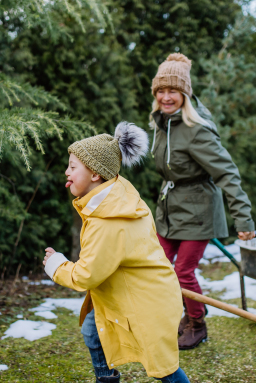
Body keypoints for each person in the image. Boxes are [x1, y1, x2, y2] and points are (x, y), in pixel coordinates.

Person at [42, 122, 190, 383]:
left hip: (146, 302)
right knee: (92, 331)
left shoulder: (108, 220)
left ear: (96, 174)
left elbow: (87, 274)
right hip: (127, 293)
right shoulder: (118, 195)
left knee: (162, 367)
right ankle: (106, 378)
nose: (67, 172)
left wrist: (57, 265)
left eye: (73, 167)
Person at [149, 53, 256, 350]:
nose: (166, 97)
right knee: (156, 263)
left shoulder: (197, 131)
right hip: (170, 208)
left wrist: (243, 219)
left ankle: (197, 323)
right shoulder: (162, 123)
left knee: (182, 271)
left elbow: (228, 173)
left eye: (173, 90)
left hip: (199, 211)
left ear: (185, 93)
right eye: (161, 90)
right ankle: (189, 309)